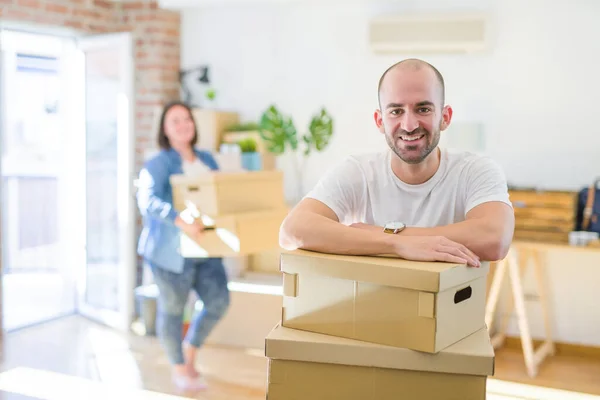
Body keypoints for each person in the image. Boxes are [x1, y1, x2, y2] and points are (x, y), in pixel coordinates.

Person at [279, 59, 514, 266]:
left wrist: (395, 235)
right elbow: (293, 230)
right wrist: (397, 245)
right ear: (379, 121)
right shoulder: (357, 172)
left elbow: (495, 239)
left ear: (445, 117)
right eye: (396, 111)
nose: (409, 125)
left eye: (423, 109)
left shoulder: (476, 171)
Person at [136, 101, 230, 391]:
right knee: (173, 311)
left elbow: (220, 193)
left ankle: (190, 351)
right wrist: (180, 220)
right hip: (170, 255)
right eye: (175, 121)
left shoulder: (207, 159)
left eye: (186, 119)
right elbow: (147, 202)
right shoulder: (158, 164)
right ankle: (179, 367)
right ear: (165, 129)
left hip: (206, 249)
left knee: (218, 301)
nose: (183, 125)